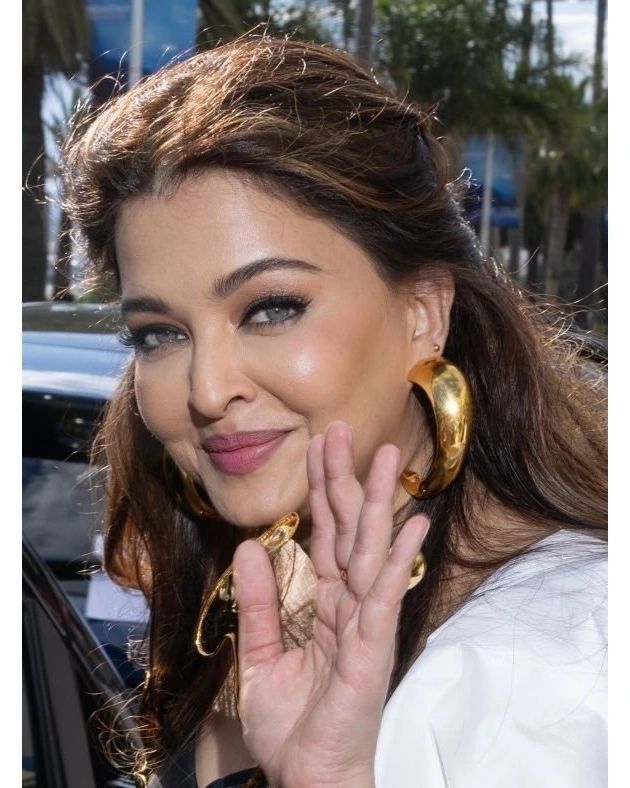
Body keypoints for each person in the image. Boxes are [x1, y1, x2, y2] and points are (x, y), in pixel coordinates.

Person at [60, 35, 607, 788]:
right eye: (160, 334)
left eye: (271, 309)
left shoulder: (552, 659)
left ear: (423, 312)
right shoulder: (260, 591)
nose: (208, 390)